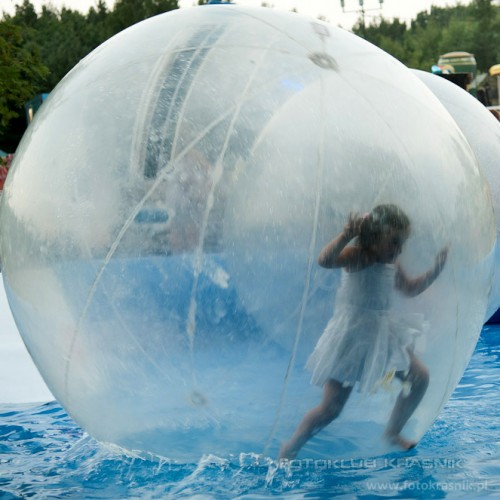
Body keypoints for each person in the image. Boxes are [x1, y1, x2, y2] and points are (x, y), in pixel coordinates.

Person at [279, 204, 448, 459]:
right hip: (351, 337)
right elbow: (325, 260)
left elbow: (410, 289)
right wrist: (346, 236)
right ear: (373, 237)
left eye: (402, 243)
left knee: (419, 377)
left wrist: (434, 271)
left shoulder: (391, 263)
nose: (399, 249)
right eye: (394, 242)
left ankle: (392, 432)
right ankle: (291, 446)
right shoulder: (358, 256)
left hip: (382, 335)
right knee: (331, 409)